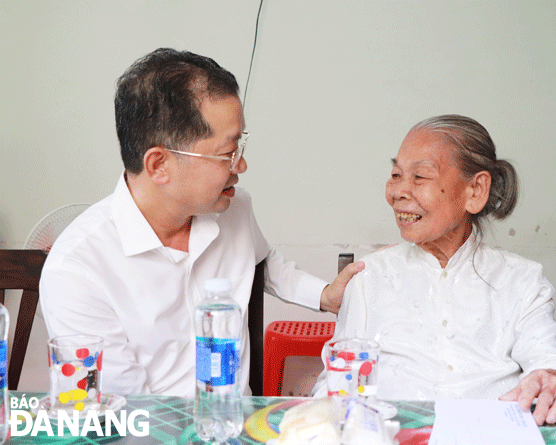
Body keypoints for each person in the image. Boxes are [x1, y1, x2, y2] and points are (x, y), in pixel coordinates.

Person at [39, 48, 363, 397]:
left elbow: (264, 263)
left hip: (233, 425)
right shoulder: (78, 270)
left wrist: (326, 295)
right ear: (159, 164)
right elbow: (126, 409)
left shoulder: (233, 209)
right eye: (227, 153)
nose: (241, 166)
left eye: (241, 147)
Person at [313, 115, 556, 425]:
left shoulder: (521, 280)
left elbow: (547, 360)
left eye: (420, 177)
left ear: (475, 191)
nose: (398, 192)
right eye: (395, 174)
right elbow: (334, 385)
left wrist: (553, 378)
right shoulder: (369, 276)